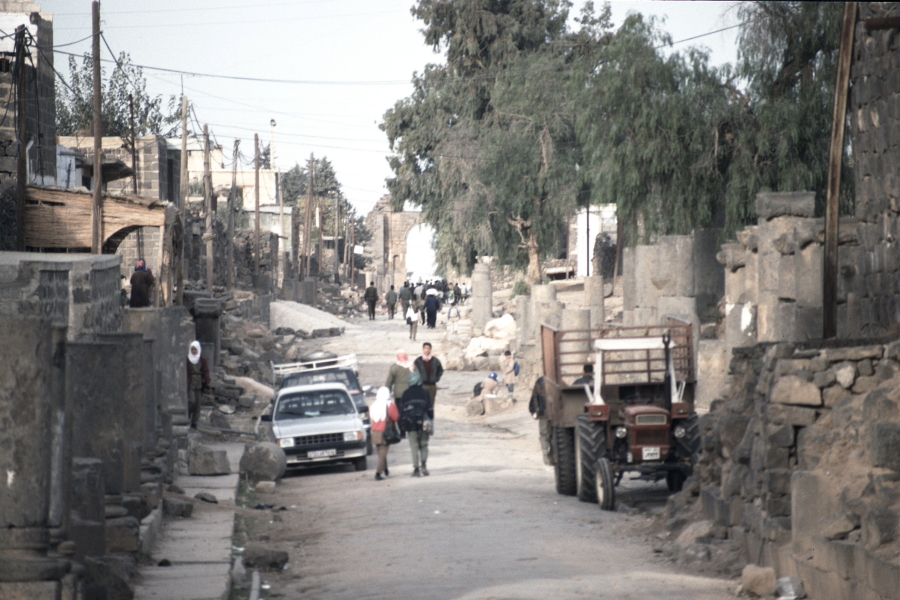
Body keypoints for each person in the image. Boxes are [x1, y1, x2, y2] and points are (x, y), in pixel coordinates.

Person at [397, 371, 433, 476]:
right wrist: (431, 419)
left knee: (414, 446)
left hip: (410, 423)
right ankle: (423, 465)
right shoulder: (425, 392)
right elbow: (430, 408)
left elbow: (402, 411)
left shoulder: (405, 393)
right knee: (424, 444)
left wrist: (402, 426)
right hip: (424, 422)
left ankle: (416, 470)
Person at [370, 386, 400, 481]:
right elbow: (396, 417)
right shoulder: (389, 404)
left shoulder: (373, 404)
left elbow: (371, 416)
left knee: (380, 453)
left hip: (375, 431)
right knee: (383, 453)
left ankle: (385, 469)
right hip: (385, 431)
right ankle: (378, 473)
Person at [186, 341, 210, 429]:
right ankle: (187, 415)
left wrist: (207, 383)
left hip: (199, 383)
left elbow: (205, 371)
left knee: (198, 404)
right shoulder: (187, 359)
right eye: (192, 349)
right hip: (191, 382)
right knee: (191, 401)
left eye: (195, 349)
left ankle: (194, 422)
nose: (193, 351)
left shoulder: (202, 360)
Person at [413, 342, 443, 409]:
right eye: (425, 348)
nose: (427, 350)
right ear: (423, 349)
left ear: (431, 349)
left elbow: (440, 370)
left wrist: (436, 378)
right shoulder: (418, 361)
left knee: (431, 403)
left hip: (432, 386)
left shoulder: (435, 360)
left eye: (428, 348)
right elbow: (413, 371)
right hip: (421, 385)